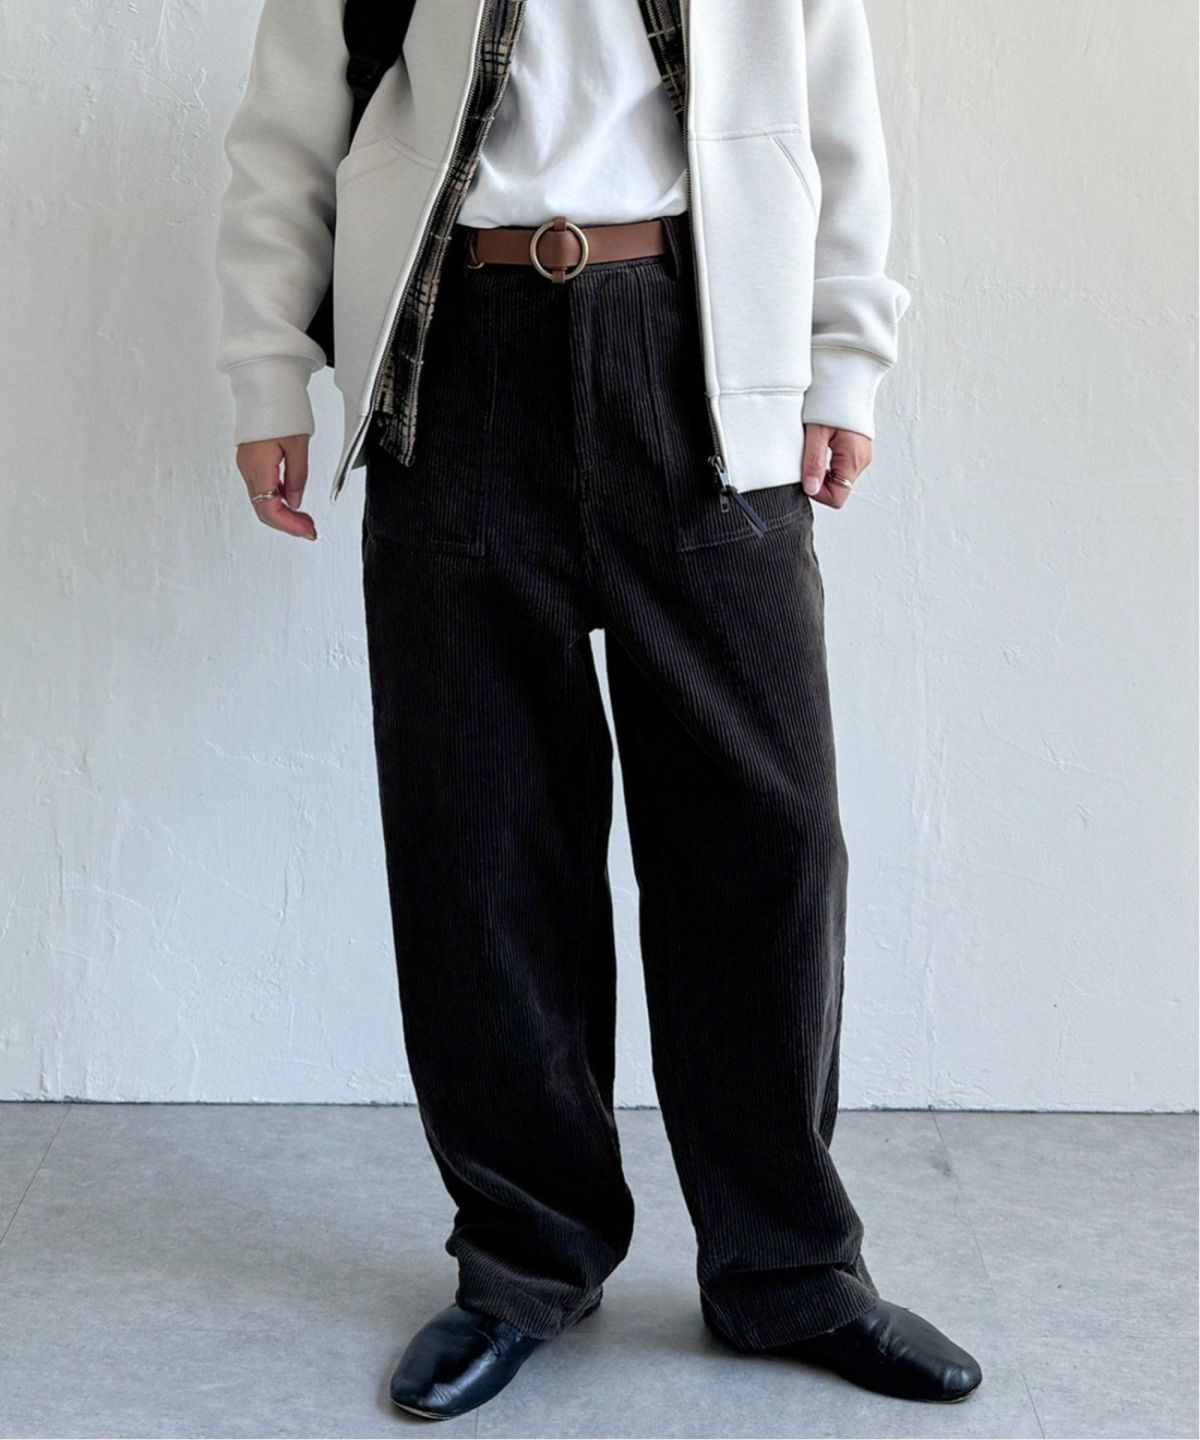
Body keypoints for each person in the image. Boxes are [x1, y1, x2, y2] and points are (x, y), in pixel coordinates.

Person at [215, 0, 983, 1419]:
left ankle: (789, 1270)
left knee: (767, 836)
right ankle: (524, 1262)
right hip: (454, 353)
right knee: (482, 844)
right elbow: (291, 121)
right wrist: (269, 364)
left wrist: (843, 359)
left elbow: (832, 114)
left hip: (705, 343)